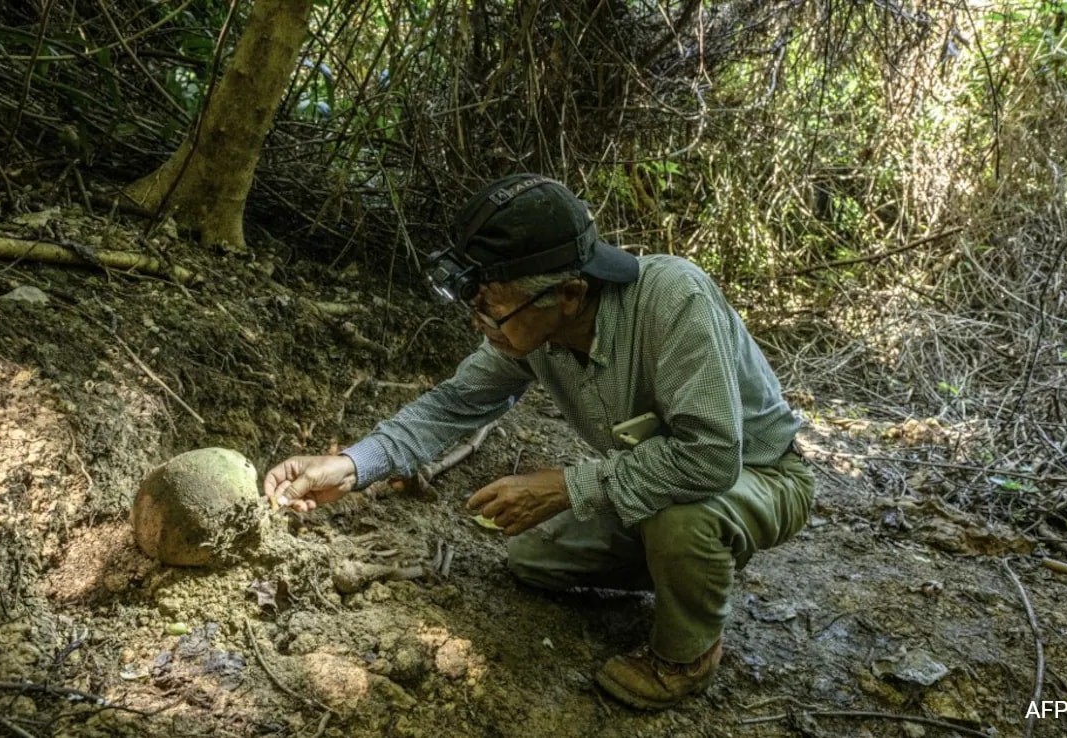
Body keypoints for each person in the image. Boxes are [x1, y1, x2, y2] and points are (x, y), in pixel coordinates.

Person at [263, 173, 815, 710]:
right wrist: (352, 464)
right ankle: (691, 569)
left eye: (491, 307)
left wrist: (568, 486)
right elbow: (455, 404)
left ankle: (686, 654)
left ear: (570, 294)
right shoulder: (530, 329)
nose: (480, 321)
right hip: (671, 477)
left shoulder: (674, 299)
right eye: (473, 304)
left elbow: (712, 456)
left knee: (683, 521)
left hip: (761, 474)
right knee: (533, 556)